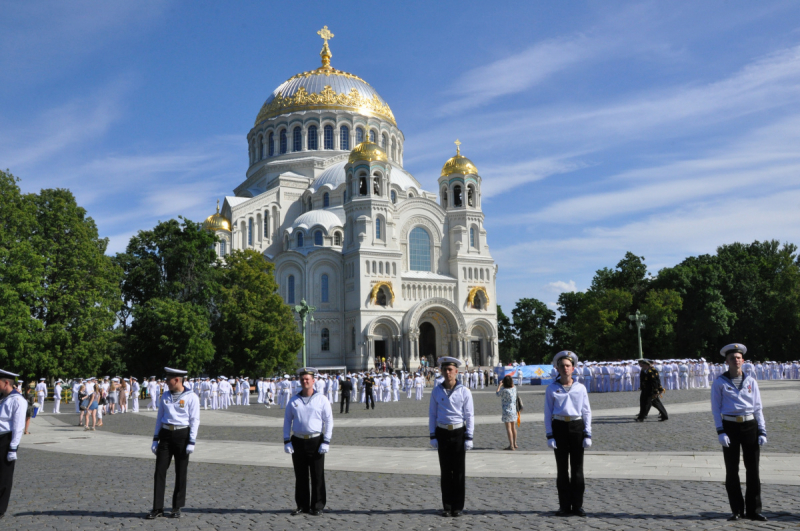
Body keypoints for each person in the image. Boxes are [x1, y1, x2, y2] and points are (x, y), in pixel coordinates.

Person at [711, 343, 768, 522]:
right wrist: (720, 431)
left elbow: (758, 407)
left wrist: (762, 430)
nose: (736, 360)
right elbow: (715, 408)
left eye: (738, 357)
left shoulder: (751, 381)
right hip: (730, 427)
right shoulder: (720, 382)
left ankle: (754, 510)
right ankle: (736, 509)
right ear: (726, 361)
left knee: (753, 470)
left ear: (743, 360)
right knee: (732, 469)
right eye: (732, 358)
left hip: (750, 425)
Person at [147, 367, 200, 520]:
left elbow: (194, 420)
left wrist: (192, 441)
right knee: (159, 471)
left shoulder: (191, 397)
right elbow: (159, 418)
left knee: (181, 471)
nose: (166, 382)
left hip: (182, 435)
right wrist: (155, 439)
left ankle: (176, 507)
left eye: (168, 379)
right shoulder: (165, 396)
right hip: (165, 434)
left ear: (177, 380)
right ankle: (157, 507)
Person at [545, 350, 592, 517]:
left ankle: (578, 505)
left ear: (573, 368)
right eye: (562, 366)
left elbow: (586, 411)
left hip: (576, 427)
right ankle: (564, 506)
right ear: (557, 368)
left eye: (568, 365)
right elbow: (547, 413)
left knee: (578, 469)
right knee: (562, 469)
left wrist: (588, 433)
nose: (565, 368)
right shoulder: (552, 388)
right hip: (559, 427)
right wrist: (549, 435)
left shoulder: (580, 388)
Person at [283, 367, 333, 516]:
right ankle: (302, 505)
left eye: (308, 379)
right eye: (303, 379)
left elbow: (329, 421)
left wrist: (326, 441)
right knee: (301, 475)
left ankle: (317, 505)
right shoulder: (294, 400)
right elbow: (287, 421)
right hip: (298, 441)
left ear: (313, 381)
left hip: (316, 441)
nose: (305, 382)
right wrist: (286, 441)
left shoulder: (321, 399)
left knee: (317, 475)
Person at [429, 357, 474, 518]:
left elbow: (469, 415)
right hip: (442, 432)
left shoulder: (464, 391)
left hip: (458, 432)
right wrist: (432, 435)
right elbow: (432, 414)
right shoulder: (436, 391)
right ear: (441, 371)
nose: (447, 373)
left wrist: (469, 437)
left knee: (459, 471)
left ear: (456, 371)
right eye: (445, 370)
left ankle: (458, 506)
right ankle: (447, 506)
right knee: (446, 471)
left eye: (450, 370)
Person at [0, 369, 26, 519]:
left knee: (4, 477)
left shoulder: (17, 400)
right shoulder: (2, 398)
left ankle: (0, 509)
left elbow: (18, 426)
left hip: (6, 440)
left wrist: (13, 448)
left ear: (6, 383)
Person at [496, 375, 517, 450]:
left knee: (508, 428)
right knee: (513, 427)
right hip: (513, 409)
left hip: (506, 410)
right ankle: (515, 443)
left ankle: (511, 445)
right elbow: (512, 384)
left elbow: (497, 394)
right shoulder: (514, 388)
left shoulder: (504, 390)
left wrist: (499, 385)